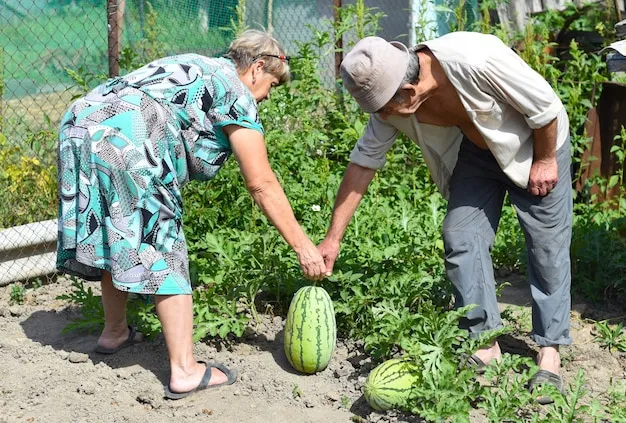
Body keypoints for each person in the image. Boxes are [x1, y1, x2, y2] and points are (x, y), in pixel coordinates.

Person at [57, 29, 329, 400]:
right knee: (163, 240)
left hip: (80, 122)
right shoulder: (235, 90)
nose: (266, 96)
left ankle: (114, 332)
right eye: (271, 86)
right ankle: (185, 370)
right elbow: (261, 182)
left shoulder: (200, 65)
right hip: (129, 136)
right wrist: (303, 247)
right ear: (257, 68)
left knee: (114, 228)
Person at [318, 32, 572, 404]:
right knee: (460, 236)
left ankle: (550, 352)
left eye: (385, 108)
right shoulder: (390, 102)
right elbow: (363, 164)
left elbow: (544, 108)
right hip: (479, 151)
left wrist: (547, 160)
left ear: (409, 90)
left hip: (539, 141)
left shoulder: (476, 60)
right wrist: (333, 237)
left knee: (546, 245)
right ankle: (484, 344)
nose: (382, 117)